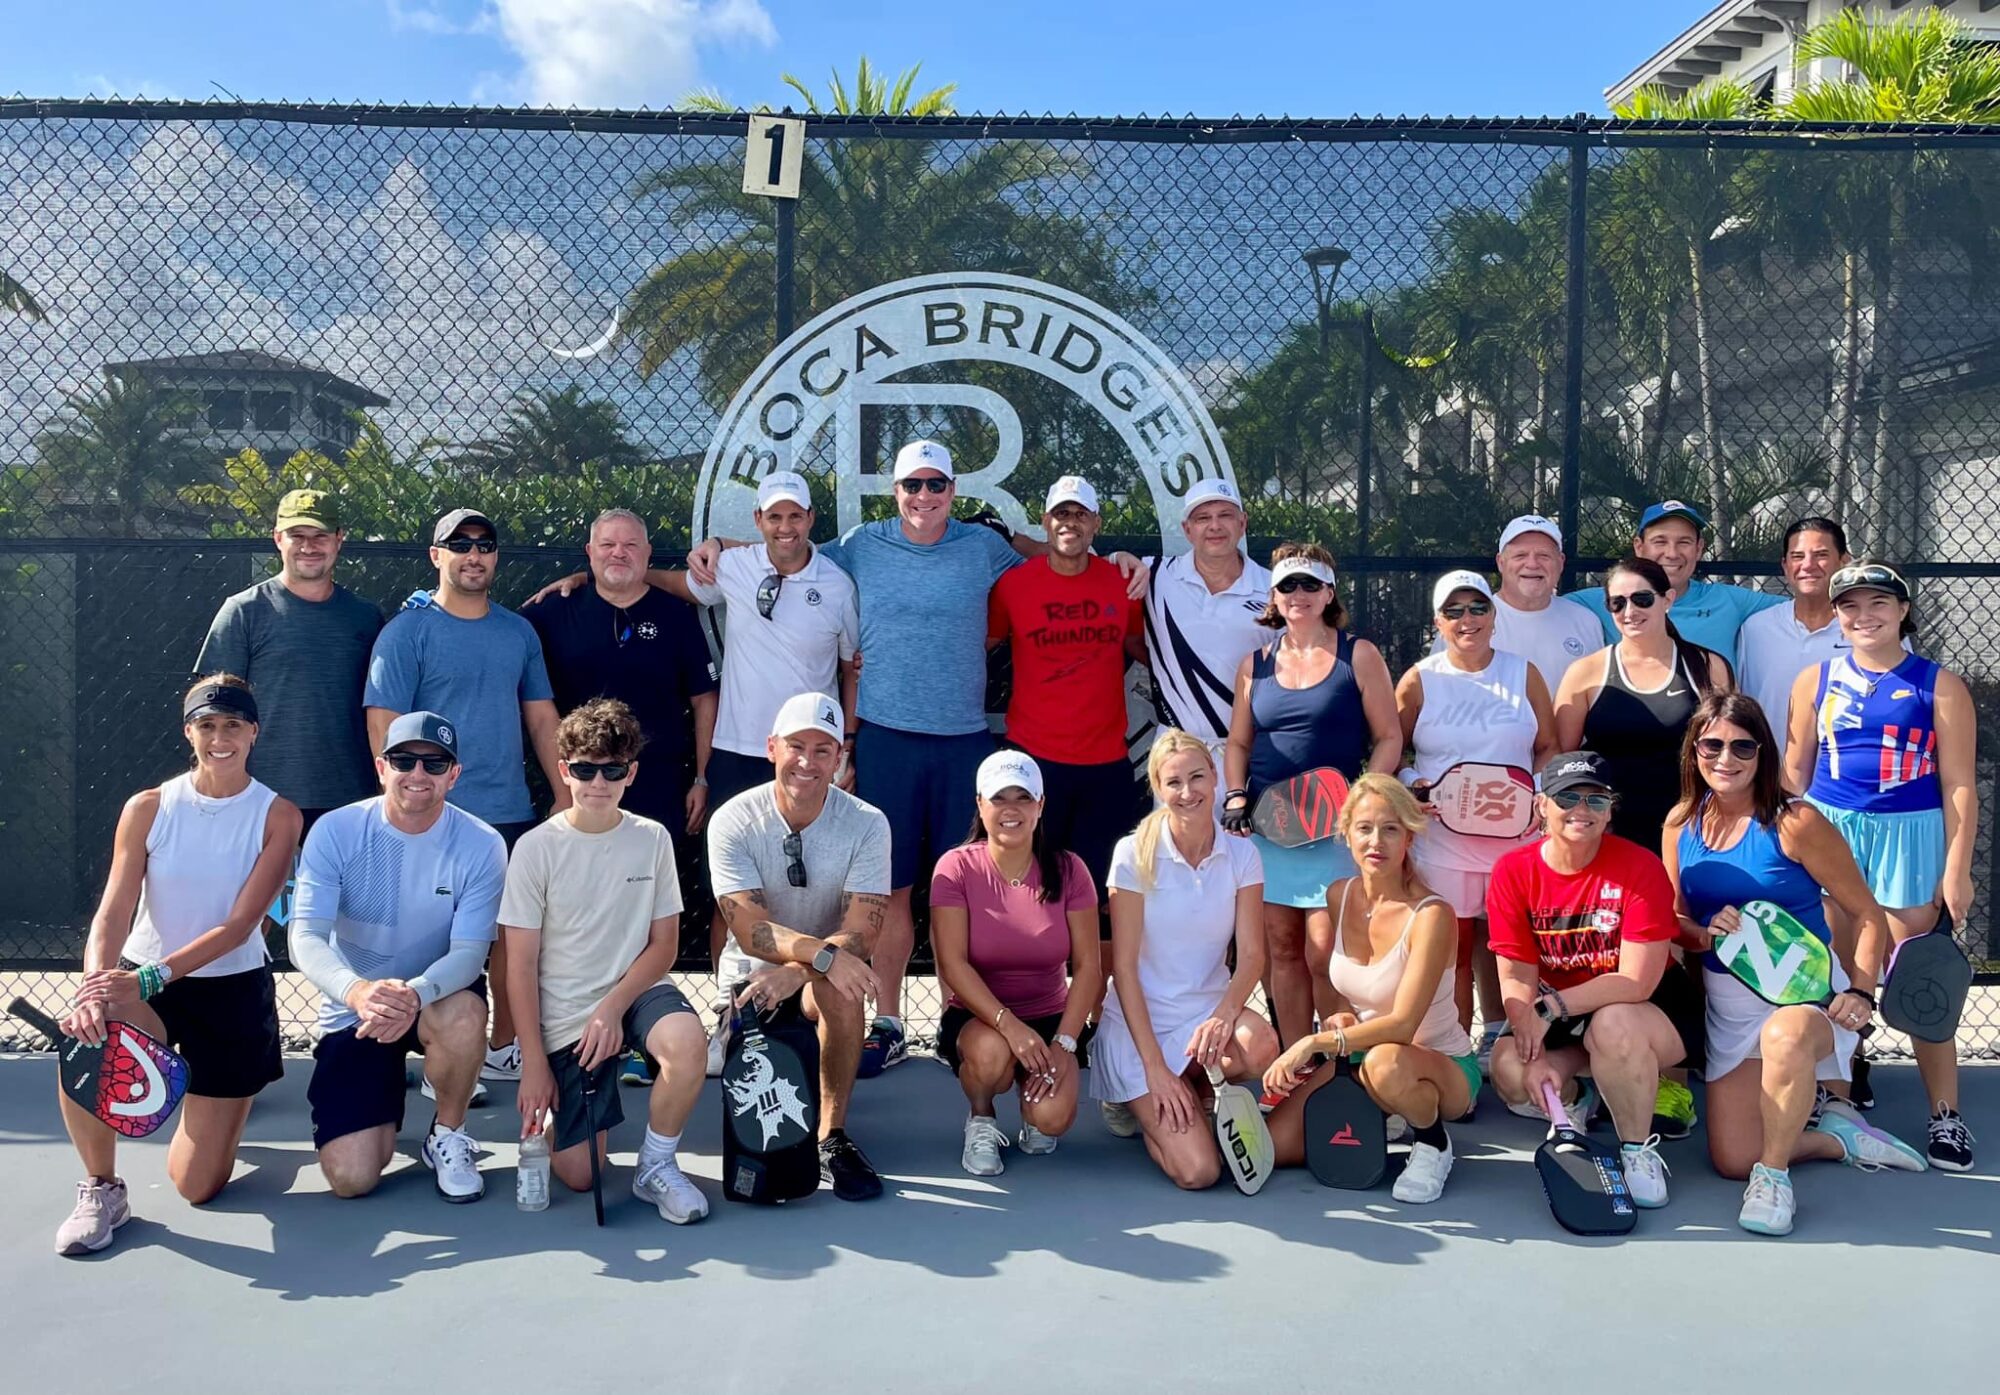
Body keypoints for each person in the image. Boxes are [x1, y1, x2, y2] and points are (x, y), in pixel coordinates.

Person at [686, 441, 1146, 1077]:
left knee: (969, 887)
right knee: (893, 888)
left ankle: (987, 1021)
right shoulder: (861, 543)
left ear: (953, 490)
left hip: (964, 741)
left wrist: (1113, 558)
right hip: (888, 737)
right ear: (895, 491)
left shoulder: (984, 548)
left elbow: (1056, 550)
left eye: (936, 485)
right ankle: (891, 1021)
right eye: (912, 485)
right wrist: (718, 544)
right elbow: (788, 550)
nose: (924, 496)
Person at [1662, 692, 1926, 1236]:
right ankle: (1838, 1138)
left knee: (1785, 1041)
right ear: (1694, 751)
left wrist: (1858, 990)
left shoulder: (1794, 821)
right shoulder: (1679, 823)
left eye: (1742, 746)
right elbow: (1676, 923)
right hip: (1729, 1007)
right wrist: (1705, 934)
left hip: (1810, 999)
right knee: (1733, 1159)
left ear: (1763, 754)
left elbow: (1868, 914)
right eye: (1711, 745)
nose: (1726, 758)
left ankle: (1776, 1179)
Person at [52, 676, 299, 1255]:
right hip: (147, 985)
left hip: (232, 992)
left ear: (253, 732)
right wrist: (94, 985)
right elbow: (114, 909)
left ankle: (216, 1110)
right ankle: (102, 1187)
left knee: (198, 1185)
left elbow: (241, 926)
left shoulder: (278, 815)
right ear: (190, 732)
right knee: (88, 1038)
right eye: (207, 725)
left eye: (233, 725)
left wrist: (151, 974)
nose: (220, 738)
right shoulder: (148, 807)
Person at [1782, 561, 1979, 1170]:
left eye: (1878, 604)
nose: (1864, 617)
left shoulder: (1938, 684)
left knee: (1919, 983)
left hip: (1909, 839)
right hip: (1831, 832)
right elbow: (1795, 772)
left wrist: (1957, 868)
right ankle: (1837, 1101)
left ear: (1902, 611)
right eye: (1850, 607)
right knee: (1832, 976)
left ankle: (1945, 1115)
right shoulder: (1814, 678)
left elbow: (1960, 786)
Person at [365, 506, 563, 1084]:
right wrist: (404, 801)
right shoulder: (406, 632)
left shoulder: (517, 632)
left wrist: (562, 794)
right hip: (430, 817)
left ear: (495, 556)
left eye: (484, 544)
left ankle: (499, 1050)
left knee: (509, 940)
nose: (473, 555)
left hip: (507, 815)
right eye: (460, 544)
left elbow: (542, 718)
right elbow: (385, 722)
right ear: (437, 555)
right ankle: (443, 1061)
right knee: (433, 939)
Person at [501, 698, 709, 1222]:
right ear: (563, 770)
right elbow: (519, 967)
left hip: (632, 994)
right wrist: (533, 1067)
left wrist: (613, 1008)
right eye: (585, 769)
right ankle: (573, 1113)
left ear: (631, 772)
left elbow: (664, 945)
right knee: (579, 1175)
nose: (598, 782)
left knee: (688, 1044)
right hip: (566, 1019)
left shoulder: (653, 838)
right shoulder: (534, 849)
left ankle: (656, 1166)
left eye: (612, 769)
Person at [289, 712, 507, 1202]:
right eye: (404, 760)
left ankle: (447, 1134)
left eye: (434, 764)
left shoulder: (483, 844)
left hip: (434, 996)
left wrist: (412, 994)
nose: (418, 774)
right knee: (352, 1179)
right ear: (381, 767)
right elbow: (305, 937)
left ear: (454, 775)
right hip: (355, 1009)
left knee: (466, 1014)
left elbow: (470, 954)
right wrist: (359, 991)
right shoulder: (334, 831)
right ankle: (380, 1089)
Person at [1485, 751, 1705, 1211]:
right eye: (1567, 796)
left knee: (1613, 1025)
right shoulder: (1512, 871)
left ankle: (1636, 1150)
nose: (1581, 809)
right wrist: (1533, 1038)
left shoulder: (1639, 866)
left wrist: (1546, 1010)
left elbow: (1636, 982)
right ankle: (1585, 1093)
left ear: (1610, 810)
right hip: (1563, 1007)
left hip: (1647, 1006)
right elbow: (1517, 971)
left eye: (1596, 799)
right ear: (1541, 805)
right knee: (1509, 1068)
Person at [706, 692, 893, 1201]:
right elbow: (750, 932)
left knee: (843, 991)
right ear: (771, 748)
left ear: (839, 758)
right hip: (752, 981)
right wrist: (820, 958)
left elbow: (864, 930)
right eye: (796, 746)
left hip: (819, 976)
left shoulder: (869, 823)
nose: (808, 762)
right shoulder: (733, 820)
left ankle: (830, 1136)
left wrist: (804, 969)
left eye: (823, 749)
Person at [1262, 775, 1479, 1204]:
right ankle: (1389, 1111)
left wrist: (1314, 1042)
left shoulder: (1432, 915)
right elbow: (1346, 987)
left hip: (1442, 1068)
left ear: (1409, 837)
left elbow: (1401, 1025)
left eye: (1390, 828)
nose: (1376, 841)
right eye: (1364, 828)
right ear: (1345, 834)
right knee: (1278, 1146)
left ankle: (1433, 1142)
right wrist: (1341, 1012)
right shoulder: (1339, 895)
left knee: (1385, 1064)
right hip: (1363, 1056)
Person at [1222, 544, 1401, 1047]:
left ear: (1328, 592)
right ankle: (1296, 1065)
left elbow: (1389, 737)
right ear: (1274, 597)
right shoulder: (1253, 664)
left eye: (1308, 584)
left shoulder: (1359, 654)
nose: (1297, 595)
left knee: (1327, 952)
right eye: (1287, 586)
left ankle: (1341, 1063)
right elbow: (1239, 742)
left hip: (1337, 831)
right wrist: (1236, 796)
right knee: (1280, 947)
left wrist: (1363, 798)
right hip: (1269, 829)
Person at [1092, 730, 1279, 1185]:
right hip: (1141, 1029)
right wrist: (1156, 1069)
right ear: (1158, 787)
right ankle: (1137, 1100)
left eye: (1198, 777)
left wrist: (1222, 1015)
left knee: (1263, 1046)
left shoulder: (1243, 854)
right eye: (1174, 782)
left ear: (1215, 778)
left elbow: (1253, 956)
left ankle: (1193, 1089)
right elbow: (1125, 970)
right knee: (1199, 1172)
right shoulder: (1131, 854)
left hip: (1204, 1015)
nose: (1188, 792)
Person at [1398, 569, 1557, 1054]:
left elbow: (1548, 746)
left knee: (1512, 950)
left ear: (1493, 615)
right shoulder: (1418, 679)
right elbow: (1394, 750)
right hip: (1442, 844)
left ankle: (1507, 1051)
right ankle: (1454, 1056)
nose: (1467, 620)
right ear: (1437, 621)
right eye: (1454, 611)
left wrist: (1537, 797)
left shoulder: (1523, 672)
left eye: (1477, 608)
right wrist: (1412, 786)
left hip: (1517, 844)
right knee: (1453, 953)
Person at [931, 750, 1102, 1176]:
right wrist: (1009, 1027)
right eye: (999, 798)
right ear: (980, 805)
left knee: (1053, 1120)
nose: (1011, 809)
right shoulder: (954, 868)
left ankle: (1032, 1112)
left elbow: (1089, 969)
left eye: (1023, 798)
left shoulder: (1071, 869)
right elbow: (953, 965)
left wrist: (1065, 1043)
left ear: (1040, 805)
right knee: (992, 1058)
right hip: (979, 1019)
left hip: (1049, 1020)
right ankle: (982, 1117)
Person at [988, 474, 1146, 906]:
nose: (1069, 522)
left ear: (1095, 522)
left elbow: (1145, 647)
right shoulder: (1013, 586)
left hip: (1106, 762)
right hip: (1034, 762)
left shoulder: (1123, 582)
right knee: (1031, 887)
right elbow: (977, 647)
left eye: (1079, 514)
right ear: (1045, 521)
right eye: (1061, 513)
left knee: (1101, 893)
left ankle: (1093, 976)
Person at [195, 488, 382, 831]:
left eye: (320, 536)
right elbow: (212, 711)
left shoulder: (366, 617)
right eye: (297, 535)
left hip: (350, 803)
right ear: (278, 538)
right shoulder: (243, 611)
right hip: (260, 800)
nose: (309, 547)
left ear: (339, 540)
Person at [523, 508, 719, 835]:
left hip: (659, 786)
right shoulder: (550, 613)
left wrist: (702, 777)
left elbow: (704, 699)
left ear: (647, 554)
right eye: (607, 544)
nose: (618, 552)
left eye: (630, 545)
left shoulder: (676, 616)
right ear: (589, 552)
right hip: (580, 785)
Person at [1555, 557, 1732, 851]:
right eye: (1618, 603)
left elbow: (1730, 747)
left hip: (1691, 829)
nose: (1630, 611)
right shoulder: (1584, 672)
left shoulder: (1708, 667)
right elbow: (1564, 760)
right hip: (1608, 831)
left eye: (1642, 599)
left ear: (1668, 599)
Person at [1134, 477, 1273, 750]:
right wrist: (1117, 557)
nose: (1215, 526)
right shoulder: (1153, 575)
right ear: (1187, 530)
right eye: (1202, 518)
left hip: (1252, 750)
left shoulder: (1275, 589)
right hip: (1177, 751)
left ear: (1242, 523)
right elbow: (1088, 572)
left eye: (1225, 515)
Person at [1570, 499, 1782, 654]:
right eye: (1660, 541)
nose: (1672, 553)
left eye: (1684, 542)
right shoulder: (1601, 602)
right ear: (1639, 547)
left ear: (1699, 549)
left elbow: (1803, 610)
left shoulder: (1731, 601)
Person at [1431, 514, 1601, 694]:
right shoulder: (1463, 624)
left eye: (1544, 555)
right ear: (1500, 562)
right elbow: (1436, 694)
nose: (1532, 564)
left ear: (1561, 563)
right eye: (1520, 555)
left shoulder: (1586, 621)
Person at [1733, 519, 1855, 768]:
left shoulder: (1869, 633)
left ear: (1844, 561)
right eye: (1797, 556)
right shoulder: (1755, 629)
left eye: (1821, 555)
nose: (1808, 566)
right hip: (1766, 780)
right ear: (1785, 566)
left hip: (1842, 786)